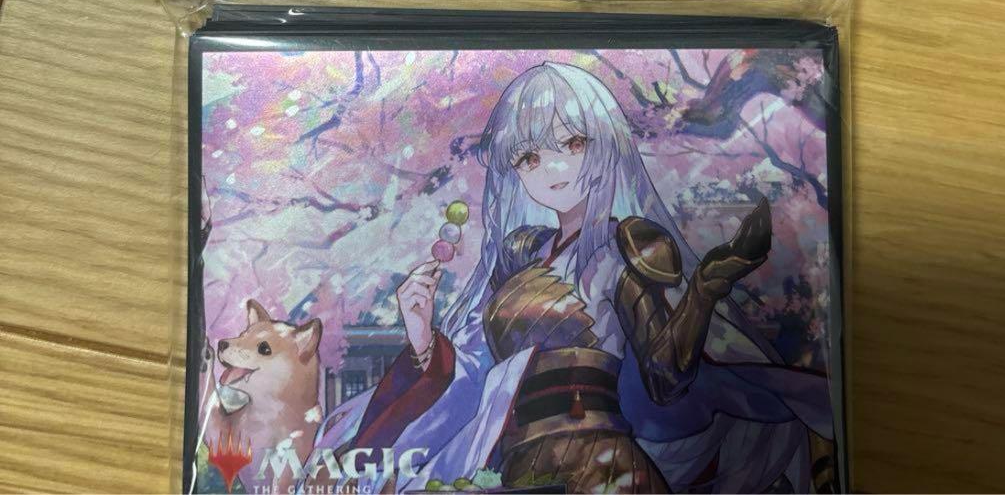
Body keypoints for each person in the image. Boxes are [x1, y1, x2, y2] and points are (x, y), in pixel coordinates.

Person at [310, 63, 833, 493]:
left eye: (572, 143)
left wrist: (705, 289)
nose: (551, 168)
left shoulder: (626, 248)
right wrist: (423, 335)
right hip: (517, 466)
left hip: (601, 466)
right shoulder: (521, 253)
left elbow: (666, 378)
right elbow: (478, 371)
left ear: (603, 144)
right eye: (528, 156)